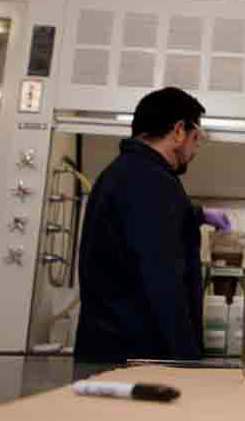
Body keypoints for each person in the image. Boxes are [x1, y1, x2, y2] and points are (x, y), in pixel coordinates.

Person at [74, 87, 230, 362]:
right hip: (135, 357)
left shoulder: (126, 173)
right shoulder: (152, 182)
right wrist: (187, 359)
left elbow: (140, 232)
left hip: (113, 349)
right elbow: (162, 279)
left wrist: (196, 215)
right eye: (197, 138)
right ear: (179, 131)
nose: (196, 150)